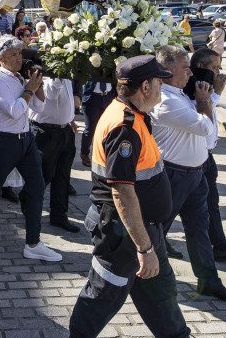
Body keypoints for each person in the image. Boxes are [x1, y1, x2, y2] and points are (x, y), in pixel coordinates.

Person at [68, 55, 189, 338]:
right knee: (101, 296)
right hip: (125, 235)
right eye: (159, 82)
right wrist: (144, 249)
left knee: (161, 295)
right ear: (145, 87)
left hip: (143, 231)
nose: (162, 87)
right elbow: (122, 192)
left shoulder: (131, 115)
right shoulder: (125, 127)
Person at [149, 46, 226, 302]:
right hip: (172, 176)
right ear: (167, 72)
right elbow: (208, 131)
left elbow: (209, 141)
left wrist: (204, 102)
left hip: (194, 175)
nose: (191, 73)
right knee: (156, 231)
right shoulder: (165, 101)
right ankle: (149, 283)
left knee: (199, 229)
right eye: (185, 68)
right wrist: (204, 102)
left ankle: (209, 280)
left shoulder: (180, 95)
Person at [0, 36, 62, 262]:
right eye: (13, 55)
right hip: (3, 140)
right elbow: (14, 110)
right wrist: (29, 88)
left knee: (37, 186)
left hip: (25, 140)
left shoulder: (19, 78)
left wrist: (37, 84)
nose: (18, 59)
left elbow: (39, 106)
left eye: (20, 54)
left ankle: (33, 242)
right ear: (0, 58)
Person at [183, 48, 226, 264]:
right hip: (189, 160)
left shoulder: (205, 85)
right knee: (171, 209)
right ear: (201, 67)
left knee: (210, 203)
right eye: (214, 68)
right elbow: (199, 116)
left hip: (206, 158)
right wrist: (215, 94)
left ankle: (219, 246)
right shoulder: (190, 87)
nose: (218, 72)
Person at [29, 74, 80, 232]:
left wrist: (70, 117)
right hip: (46, 131)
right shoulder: (44, 74)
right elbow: (51, 95)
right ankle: (29, 207)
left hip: (64, 130)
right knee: (44, 174)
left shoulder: (66, 72)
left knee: (63, 176)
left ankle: (59, 215)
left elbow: (68, 99)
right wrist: (58, 77)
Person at [79, 80, 116, 167]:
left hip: (108, 97)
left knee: (107, 129)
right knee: (90, 129)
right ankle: (84, 154)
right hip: (92, 97)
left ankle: (103, 155)